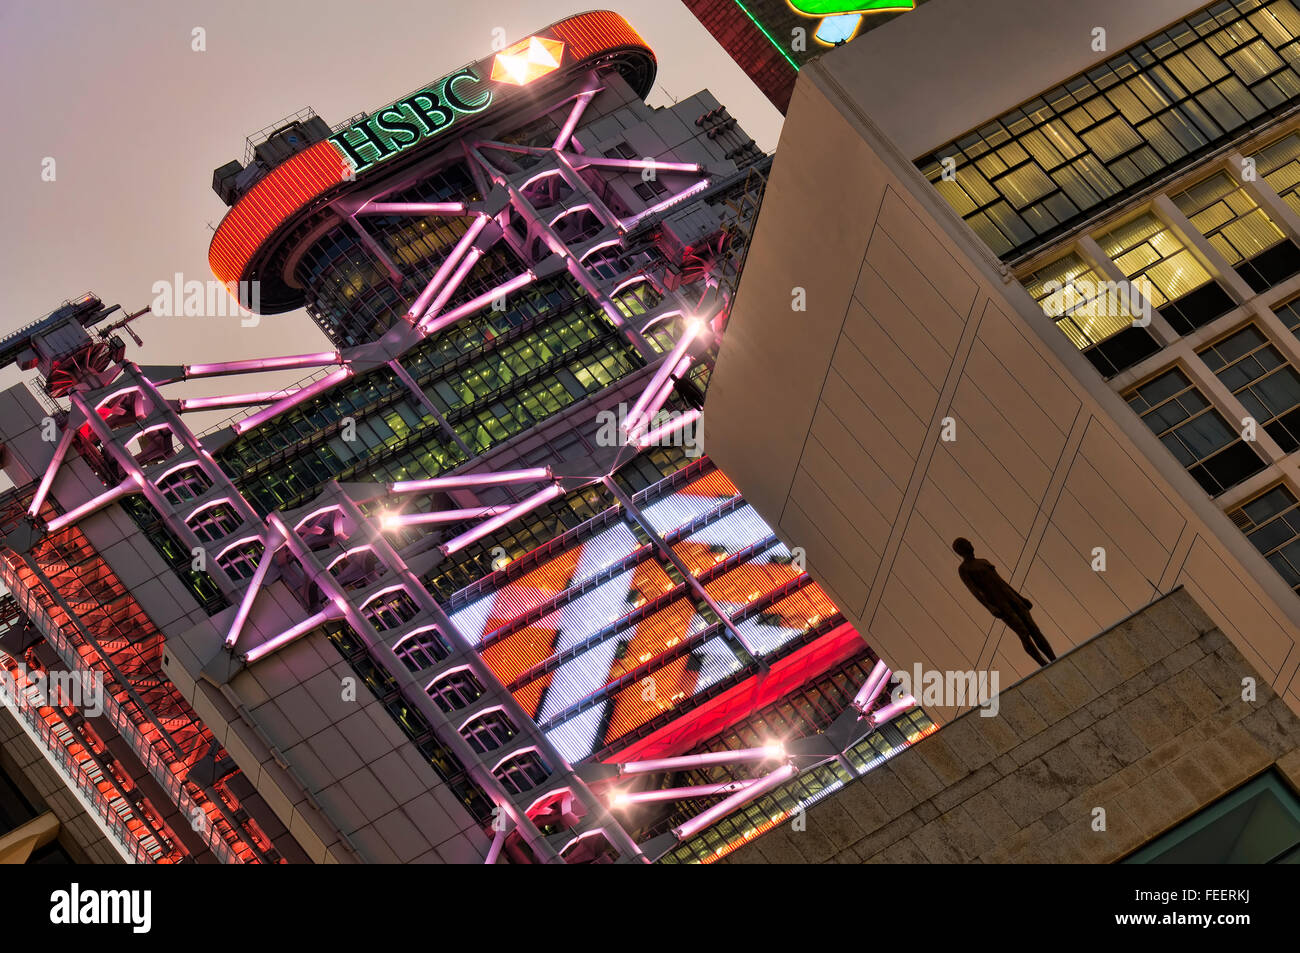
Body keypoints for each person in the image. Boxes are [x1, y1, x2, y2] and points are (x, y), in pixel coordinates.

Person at [952, 537, 1056, 666]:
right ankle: (1042, 663)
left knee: (1034, 628)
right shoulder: (964, 569)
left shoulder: (983, 561)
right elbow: (975, 591)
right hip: (999, 603)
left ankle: (1054, 659)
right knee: (1023, 632)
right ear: (960, 549)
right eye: (967, 543)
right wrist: (990, 607)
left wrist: (1020, 597)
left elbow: (1001, 581)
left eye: (969, 542)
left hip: (1011, 597)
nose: (970, 544)